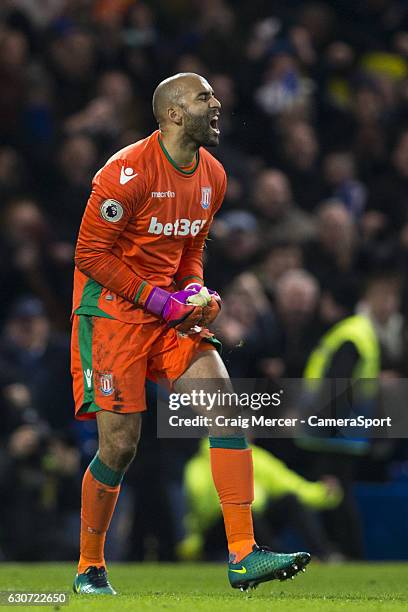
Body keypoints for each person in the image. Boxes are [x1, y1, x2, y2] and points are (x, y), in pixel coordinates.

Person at [70, 72, 310, 595]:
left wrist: (196, 292)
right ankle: (91, 565)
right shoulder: (125, 173)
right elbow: (89, 255)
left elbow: (190, 249)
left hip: (167, 317)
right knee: (120, 447)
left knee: (226, 407)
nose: (217, 103)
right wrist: (161, 299)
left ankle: (243, 553)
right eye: (205, 97)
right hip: (110, 318)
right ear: (174, 113)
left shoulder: (214, 176)